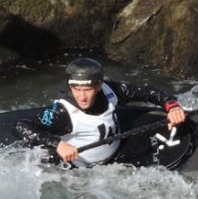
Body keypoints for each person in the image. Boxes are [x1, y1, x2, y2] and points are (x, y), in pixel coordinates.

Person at [13, 57, 186, 167]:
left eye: (87, 89)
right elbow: (22, 125)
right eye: (76, 89)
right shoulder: (63, 112)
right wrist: (58, 144)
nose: (81, 96)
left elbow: (148, 92)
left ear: (98, 86)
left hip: (117, 152)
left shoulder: (111, 90)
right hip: (83, 171)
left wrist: (172, 106)